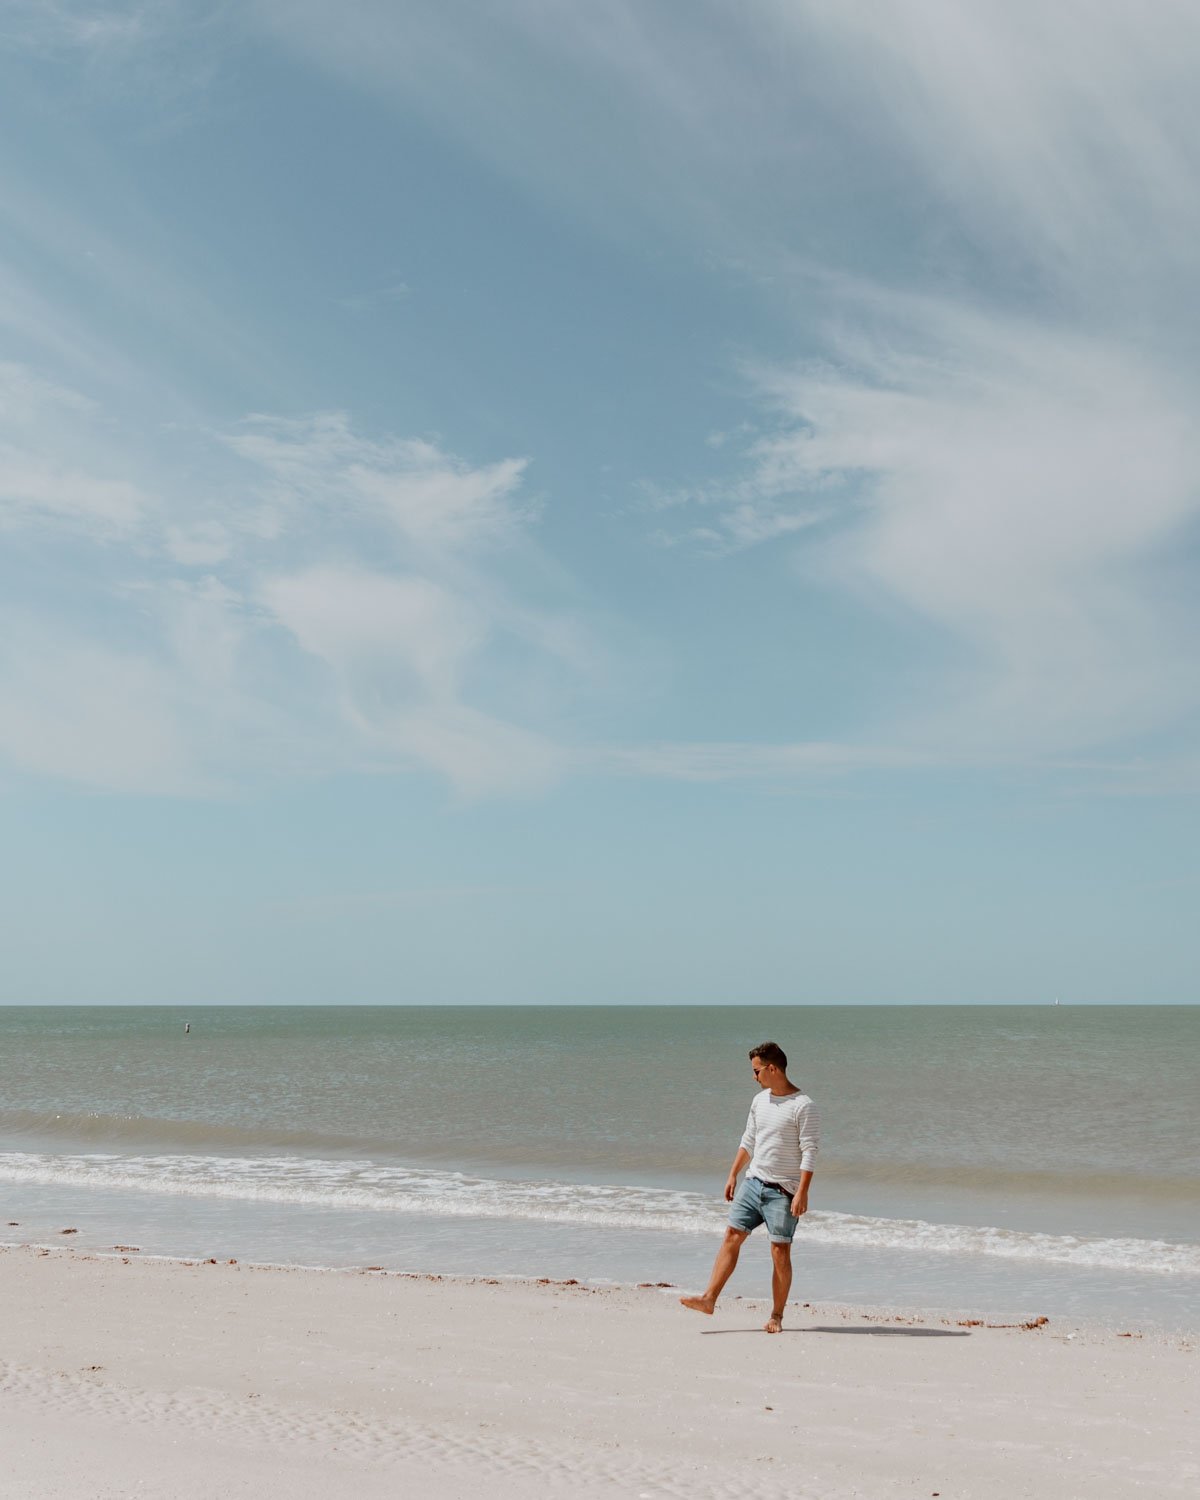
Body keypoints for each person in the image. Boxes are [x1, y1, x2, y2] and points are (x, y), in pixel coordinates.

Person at [680, 1041, 820, 1333]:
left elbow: (809, 1151)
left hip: (783, 1192)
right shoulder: (759, 1102)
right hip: (752, 1182)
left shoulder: (803, 1106)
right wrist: (733, 1174)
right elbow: (749, 1140)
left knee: (780, 1252)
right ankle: (708, 1299)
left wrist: (802, 1192)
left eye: (757, 1071)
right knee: (731, 1235)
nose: (754, 1077)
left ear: (772, 1068)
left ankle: (776, 1316)